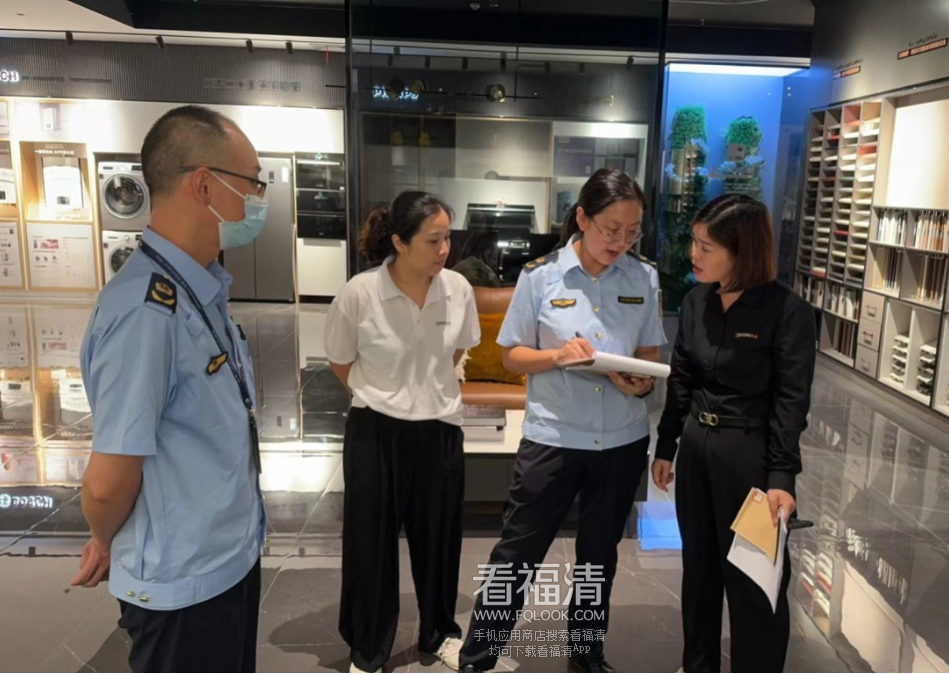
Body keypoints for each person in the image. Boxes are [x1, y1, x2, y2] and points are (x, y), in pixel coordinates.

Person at [74, 105, 268, 673]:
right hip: (183, 587)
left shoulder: (197, 288)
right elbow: (107, 483)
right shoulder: (144, 311)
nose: (257, 200)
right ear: (205, 185)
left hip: (225, 561)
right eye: (252, 183)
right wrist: (106, 538)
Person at [457, 168, 667, 674]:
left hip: (621, 440)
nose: (620, 242)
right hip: (553, 438)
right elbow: (511, 355)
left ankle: (586, 653)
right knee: (517, 553)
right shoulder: (540, 276)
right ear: (582, 218)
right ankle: (477, 656)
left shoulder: (643, 277)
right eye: (611, 229)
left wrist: (639, 382)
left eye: (632, 232)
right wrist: (556, 356)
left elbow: (649, 354)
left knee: (599, 558)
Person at [652, 194, 816, 673]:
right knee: (699, 573)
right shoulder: (696, 301)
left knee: (754, 582)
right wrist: (667, 445)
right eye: (695, 242)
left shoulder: (786, 312)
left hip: (749, 458)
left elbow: (791, 401)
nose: (694, 254)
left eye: (707, 246)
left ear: (742, 252)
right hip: (697, 451)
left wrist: (781, 476)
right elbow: (682, 380)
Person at [324, 191, 481, 674]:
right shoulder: (360, 293)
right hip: (375, 430)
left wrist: (423, 393)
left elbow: (457, 352)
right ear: (399, 242)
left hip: (439, 429)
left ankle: (440, 633)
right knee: (370, 542)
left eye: (448, 238)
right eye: (433, 240)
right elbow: (340, 360)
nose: (444, 249)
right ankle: (368, 647)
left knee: (439, 540)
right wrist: (383, 396)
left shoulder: (458, 289)